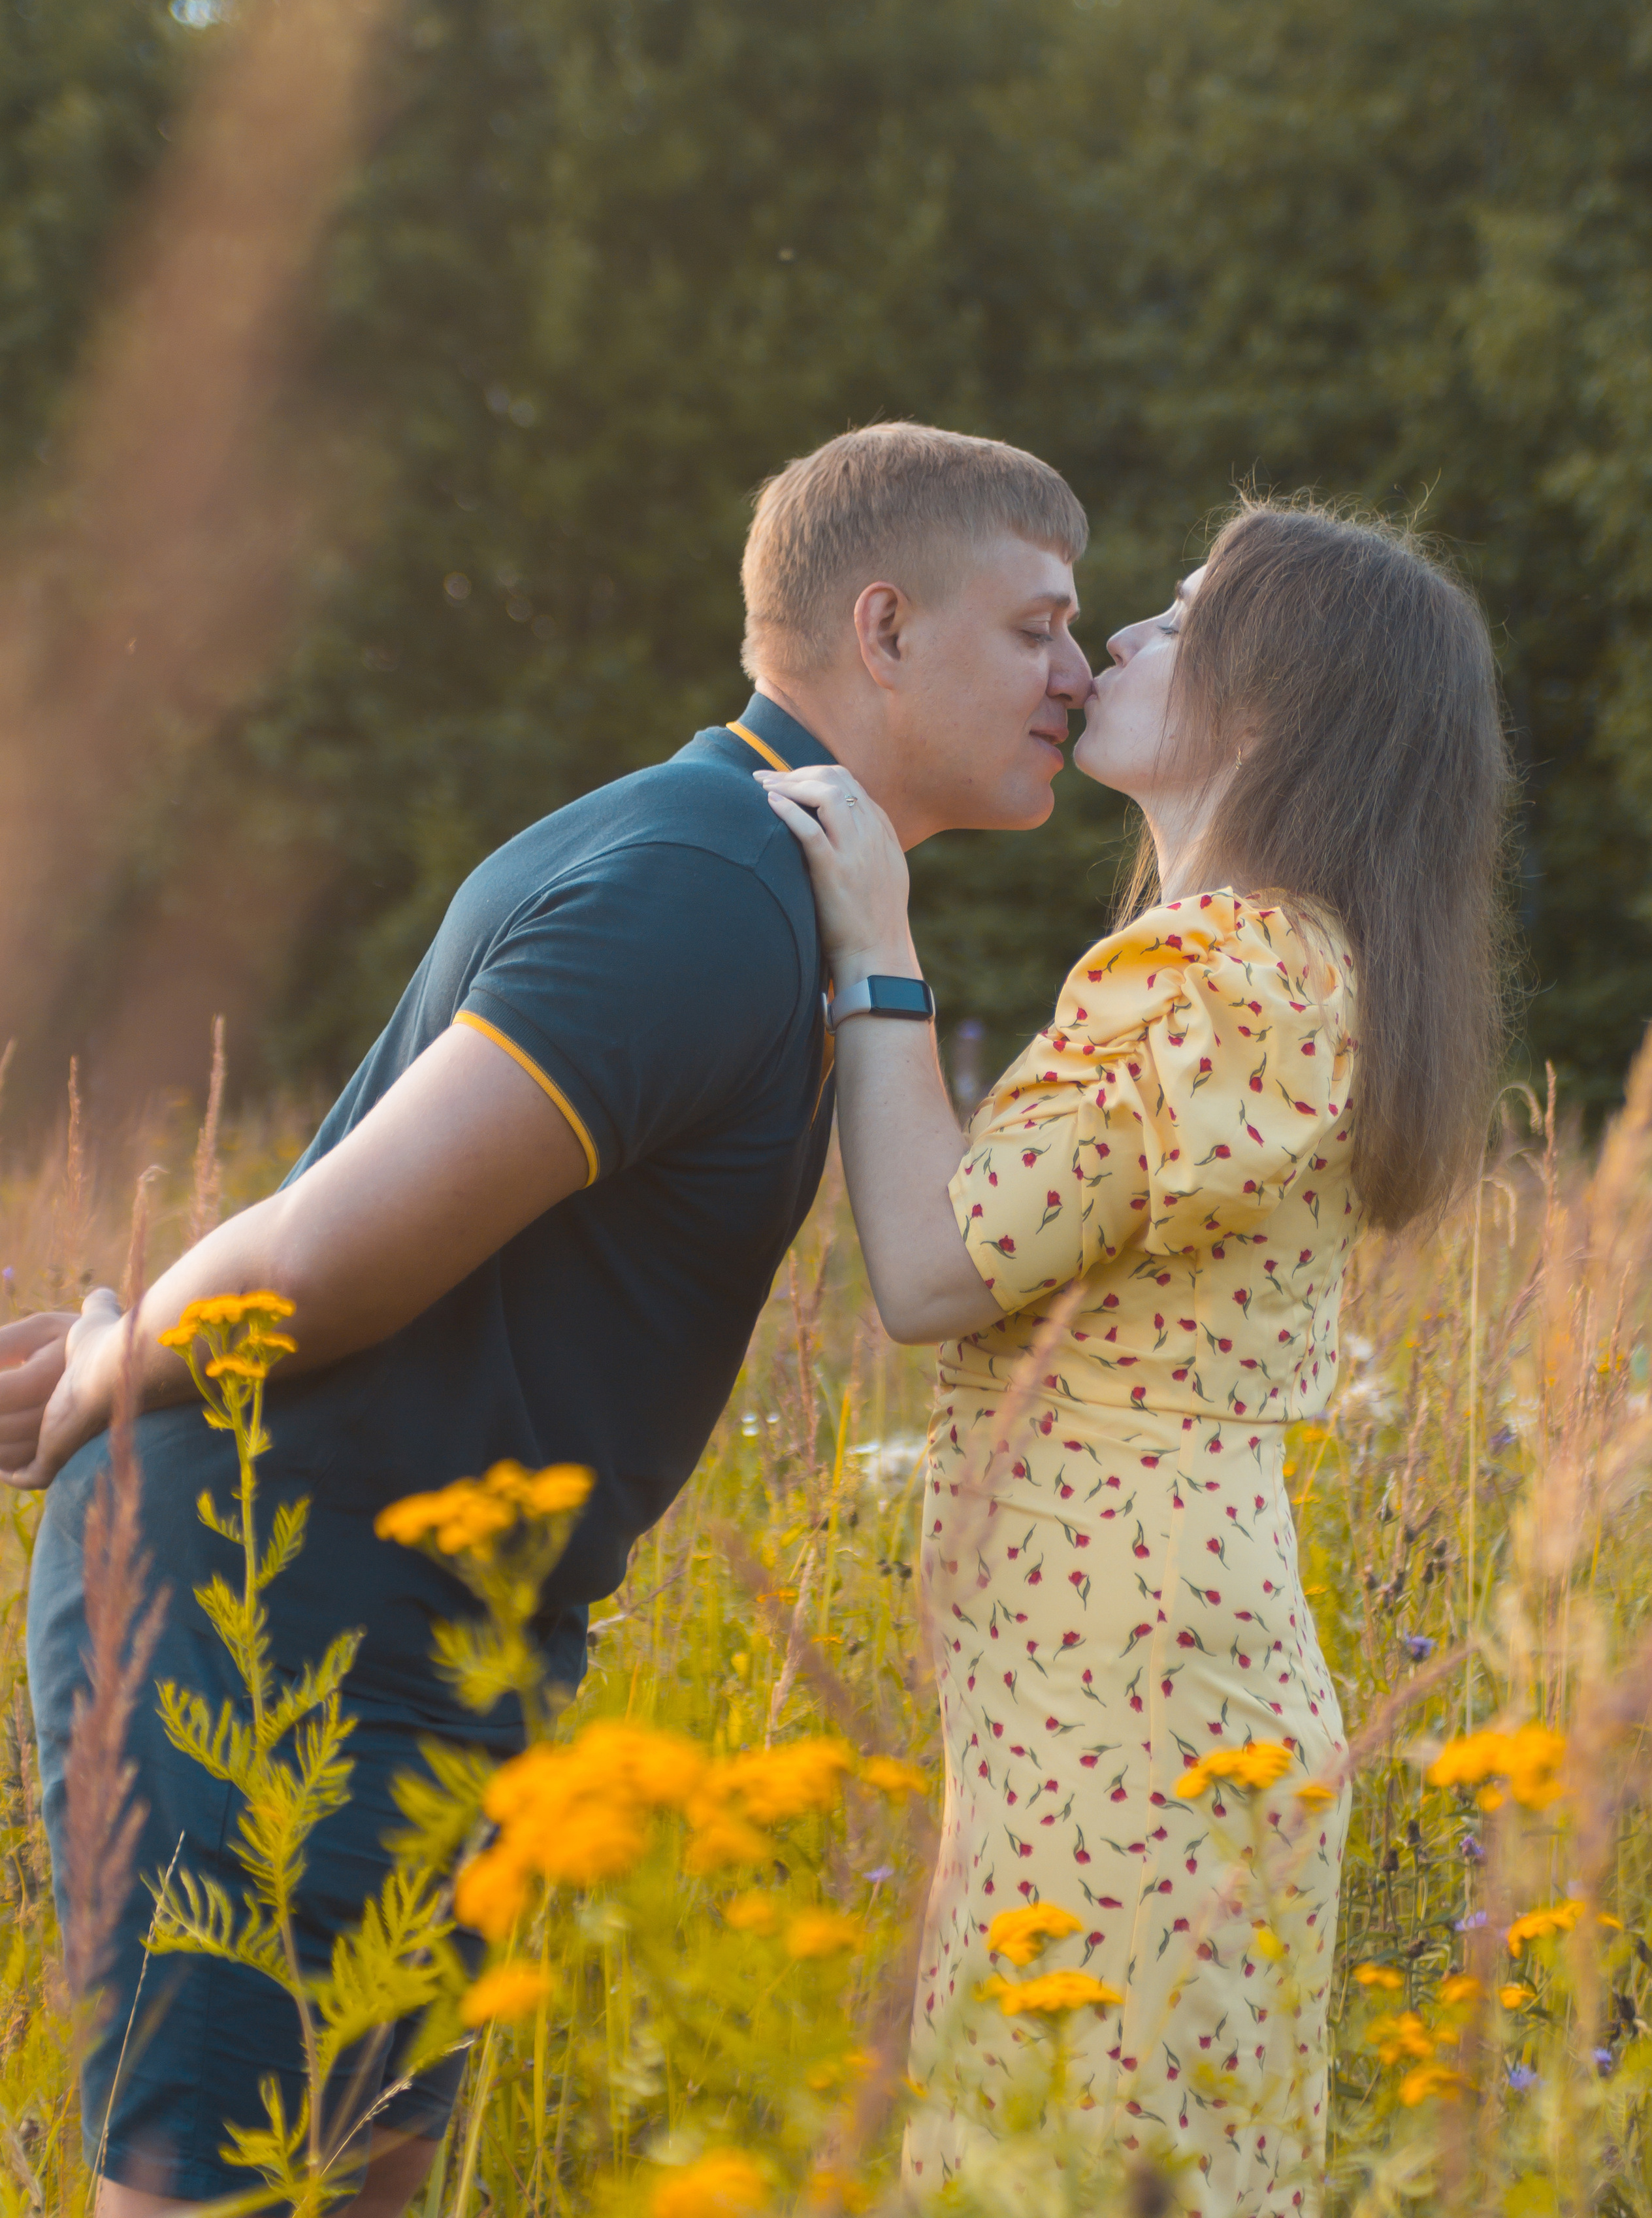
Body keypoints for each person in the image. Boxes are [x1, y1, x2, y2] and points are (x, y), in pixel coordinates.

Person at [0, 421, 1095, 2217]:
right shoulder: (698, 888)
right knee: (216, 2197)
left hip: (407, 1633)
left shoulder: (754, 873)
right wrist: (119, 1367)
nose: (1078, 671)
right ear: (883, 628)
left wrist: (130, 1331)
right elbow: (318, 1265)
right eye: (1040, 625)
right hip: (270, 1637)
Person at [761, 499, 1510, 2216]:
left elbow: (936, 1273)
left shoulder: (1228, 974)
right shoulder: (1262, 967)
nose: (1118, 648)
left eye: (1178, 620)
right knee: (1111, 2146)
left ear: (1284, 701)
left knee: (1084, 2156)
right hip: (1135, 1656)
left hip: (1141, 1676)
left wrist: (877, 943)